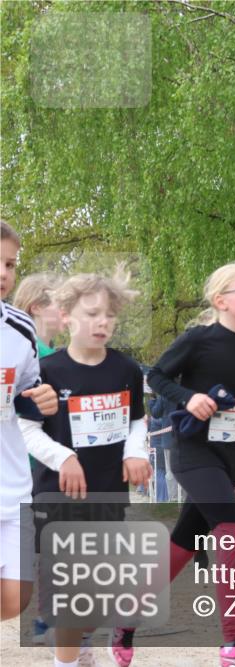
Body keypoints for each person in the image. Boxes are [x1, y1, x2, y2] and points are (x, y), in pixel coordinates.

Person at [122, 260, 235, 667]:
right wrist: (189, 397)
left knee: (184, 541)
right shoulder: (198, 340)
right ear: (221, 300)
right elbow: (157, 377)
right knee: (234, 530)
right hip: (193, 452)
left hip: (231, 456)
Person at [19, 269, 151, 667]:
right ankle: (67, 658)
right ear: (65, 316)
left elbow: (136, 421)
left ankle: (80, 639)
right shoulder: (46, 371)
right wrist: (64, 457)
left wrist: (136, 453)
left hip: (107, 491)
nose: (102, 322)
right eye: (92, 313)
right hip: (57, 494)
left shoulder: (127, 370)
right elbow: (27, 429)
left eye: (109, 315)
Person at [0, 220, 58, 623]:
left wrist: (42, 401)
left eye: (10, 264)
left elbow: (27, 397)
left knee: (16, 598)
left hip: (12, 485)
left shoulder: (20, 329)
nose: (4, 273)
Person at [13, 272, 64, 358]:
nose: (67, 310)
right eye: (61, 304)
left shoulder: (51, 354)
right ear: (36, 308)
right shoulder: (22, 354)